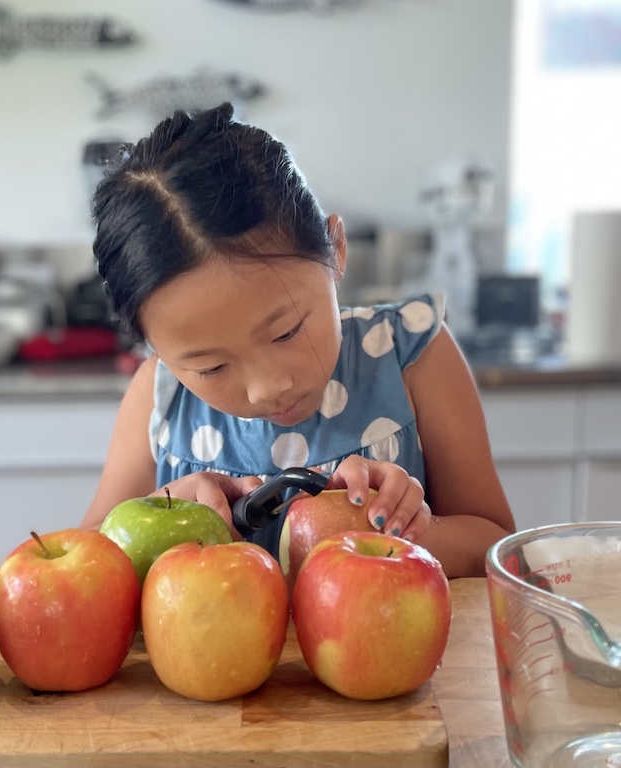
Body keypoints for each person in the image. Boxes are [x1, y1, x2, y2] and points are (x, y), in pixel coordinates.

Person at [79, 102, 515, 578]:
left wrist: (396, 531)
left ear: (336, 249)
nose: (267, 388)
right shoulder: (160, 395)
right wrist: (163, 513)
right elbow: (91, 560)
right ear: (155, 350)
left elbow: (496, 544)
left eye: (286, 332)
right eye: (211, 367)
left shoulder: (411, 354)